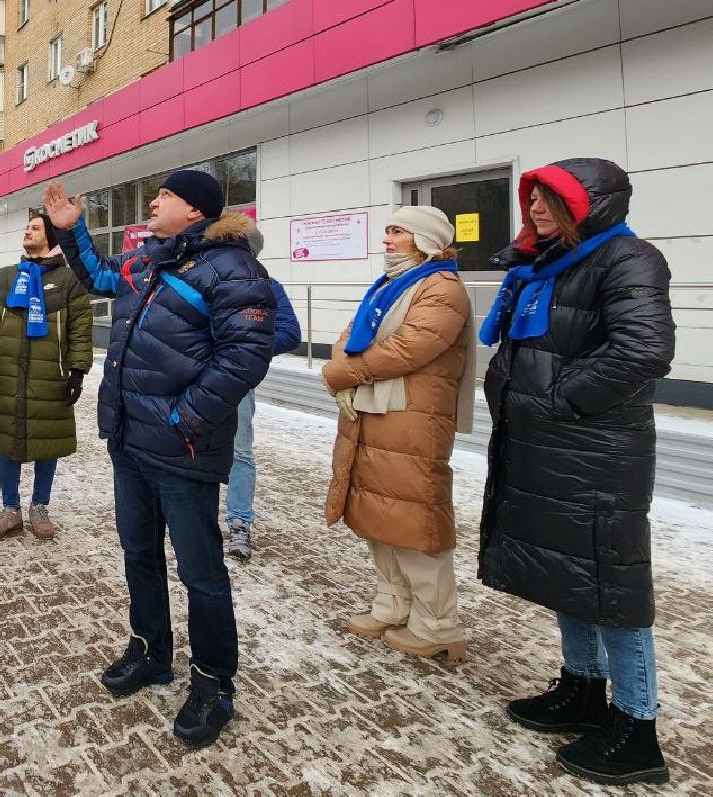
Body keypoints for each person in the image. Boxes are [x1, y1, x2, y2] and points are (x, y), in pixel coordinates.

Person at [44, 170, 275, 750]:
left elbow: (246, 356)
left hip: (183, 449)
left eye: (165, 195)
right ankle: (151, 651)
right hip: (131, 441)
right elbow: (99, 278)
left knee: (200, 572)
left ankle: (213, 682)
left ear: (195, 210)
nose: (152, 201)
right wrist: (71, 233)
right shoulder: (148, 260)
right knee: (139, 553)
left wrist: (187, 417)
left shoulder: (233, 268)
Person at [479, 159, 674, 787]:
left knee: (612, 583)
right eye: (531, 198)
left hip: (596, 449)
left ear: (590, 203)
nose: (534, 209)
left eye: (550, 199)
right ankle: (582, 689)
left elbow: (643, 349)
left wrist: (560, 398)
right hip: (549, 445)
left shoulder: (626, 259)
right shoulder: (545, 265)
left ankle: (637, 727)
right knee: (571, 572)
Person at [321, 207, 474, 665]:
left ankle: (437, 625)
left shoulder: (442, 286)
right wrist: (344, 367)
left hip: (412, 418)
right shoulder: (389, 286)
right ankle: (393, 605)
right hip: (374, 411)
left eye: (397, 231)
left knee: (413, 519)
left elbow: (412, 347)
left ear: (425, 239)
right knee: (377, 514)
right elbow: (353, 335)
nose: (386, 239)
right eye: (387, 230)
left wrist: (346, 372)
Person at [0, 213, 94, 542]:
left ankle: (40, 506)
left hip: (50, 376)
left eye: (36, 228)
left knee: (47, 440)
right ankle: (10, 509)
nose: (28, 230)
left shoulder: (69, 281)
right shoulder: (5, 278)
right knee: (7, 440)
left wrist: (77, 370)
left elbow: (81, 328)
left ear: (51, 238)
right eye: (27, 227)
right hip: (10, 373)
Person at [223, 224, 301, 561]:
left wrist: (245, 349)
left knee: (239, 452)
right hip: (195, 380)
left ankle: (239, 521)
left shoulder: (268, 287)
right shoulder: (208, 281)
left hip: (237, 382)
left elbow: (290, 333)